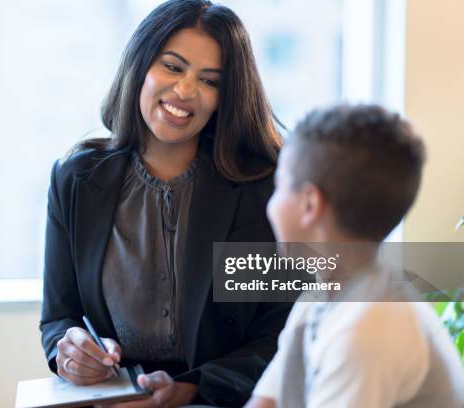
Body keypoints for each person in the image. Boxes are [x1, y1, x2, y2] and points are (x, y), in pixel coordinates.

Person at [40, 0, 291, 406]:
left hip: (223, 398)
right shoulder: (76, 179)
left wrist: (191, 388)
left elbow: (281, 331)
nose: (186, 90)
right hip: (119, 398)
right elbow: (58, 317)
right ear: (140, 65)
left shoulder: (263, 187)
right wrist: (67, 352)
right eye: (173, 67)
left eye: (210, 80)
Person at [245, 104, 464, 408]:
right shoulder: (322, 294)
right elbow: (267, 401)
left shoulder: (370, 325)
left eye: (279, 186)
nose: (271, 202)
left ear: (309, 204)